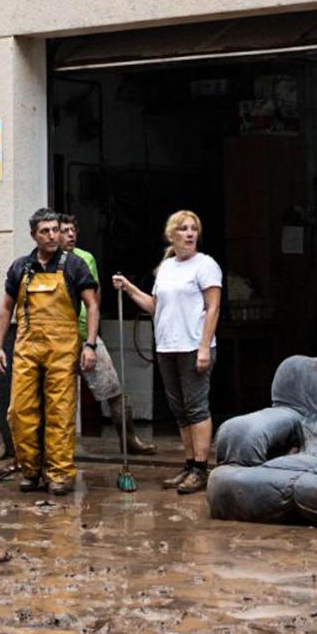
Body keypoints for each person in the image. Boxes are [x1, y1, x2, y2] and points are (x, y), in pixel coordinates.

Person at [112, 210, 222, 496]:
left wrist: (203, 347)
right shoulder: (166, 268)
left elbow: (213, 307)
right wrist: (129, 288)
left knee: (196, 407)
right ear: (172, 235)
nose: (189, 234)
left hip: (193, 346)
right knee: (180, 409)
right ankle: (188, 464)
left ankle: (201, 468)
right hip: (167, 346)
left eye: (193, 229)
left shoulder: (206, 265)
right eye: (183, 229)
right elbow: (154, 307)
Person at [0, 208, 101, 496]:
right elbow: (5, 308)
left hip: (63, 348)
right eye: (45, 231)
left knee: (60, 411)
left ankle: (59, 474)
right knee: (20, 411)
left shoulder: (75, 265)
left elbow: (92, 305)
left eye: (55, 229)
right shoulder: (20, 267)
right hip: (27, 347)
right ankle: (30, 470)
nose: (53, 235)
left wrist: (89, 344)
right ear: (34, 235)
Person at [59, 213, 156, 456]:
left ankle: (129, 439)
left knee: (112, 388)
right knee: (57, 396)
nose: (70, 235)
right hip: (58, 336)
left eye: (73, 230)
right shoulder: (46, 262)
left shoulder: (85, 258)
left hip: (85, 333)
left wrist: (92, 333)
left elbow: (95, 297)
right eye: (65, 230)